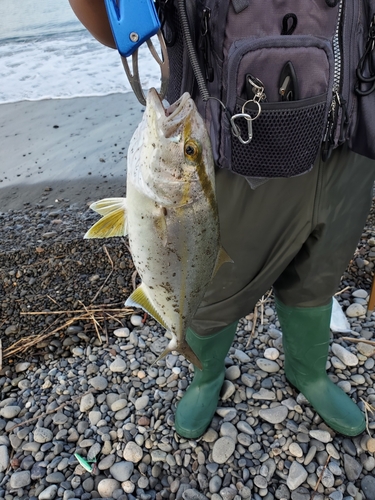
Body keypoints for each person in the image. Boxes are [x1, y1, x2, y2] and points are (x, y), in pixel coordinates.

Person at [69, 0, 375, 439]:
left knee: (320, 274)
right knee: (212, 285)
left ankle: (308, 371)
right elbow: (111, 26)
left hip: (354, 133)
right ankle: (206, 373)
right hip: (233, 146)